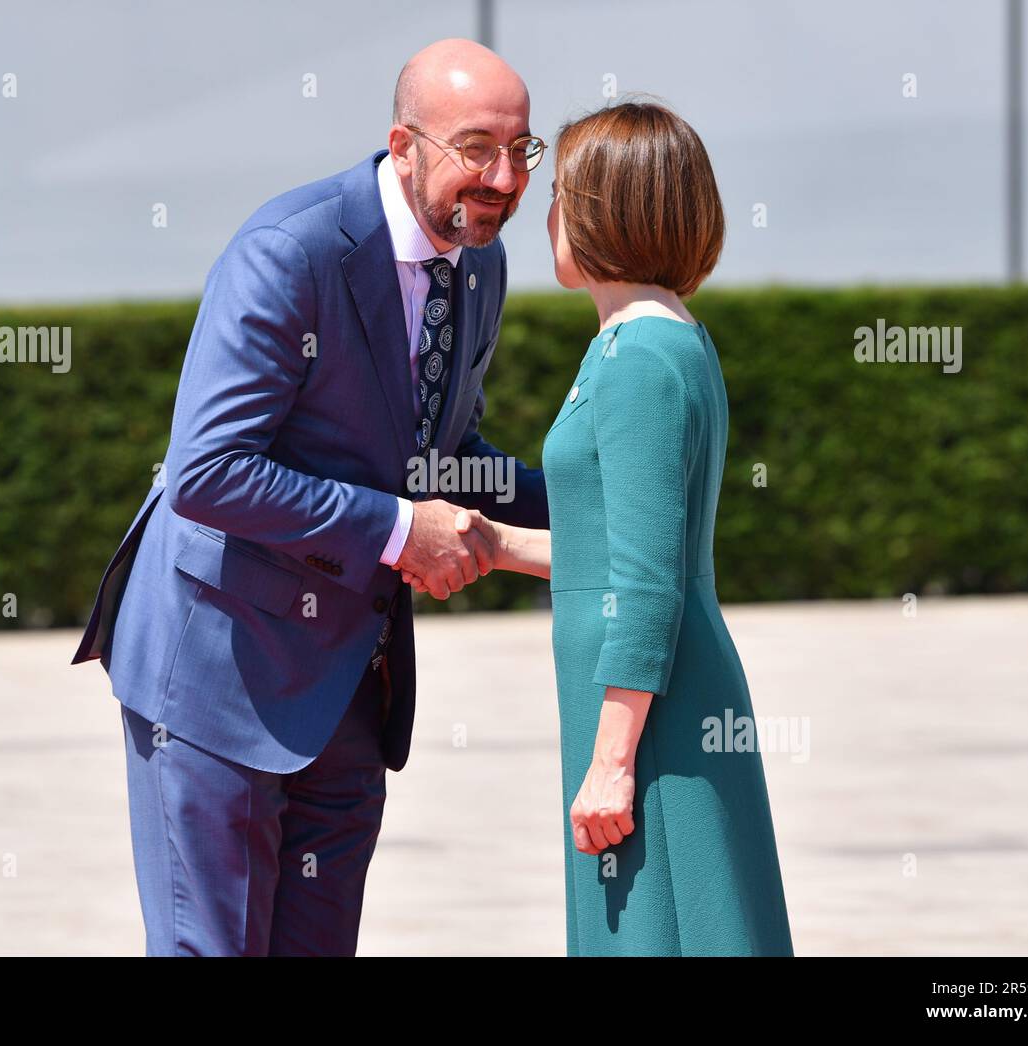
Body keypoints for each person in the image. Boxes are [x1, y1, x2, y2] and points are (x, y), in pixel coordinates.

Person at [70, 38, 549, 956]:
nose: (502, 177)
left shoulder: (478, 264)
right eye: (476, 147)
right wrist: (402, 529)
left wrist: (590, 495)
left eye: (520, 150)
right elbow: (210, 471)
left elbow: (440, 457)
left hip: (346, 692)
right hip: (217, 671)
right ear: (403, 145)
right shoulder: (288, 251)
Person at [402, 99, 795, 956]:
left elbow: (648, 582)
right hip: (649, 701)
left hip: (648, 719)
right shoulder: (645, 342)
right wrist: (494, 545)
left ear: (606, 213)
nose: (543, 214)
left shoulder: (640, 359)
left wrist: (613, 761)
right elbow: (619, 551)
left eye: (562, 195)